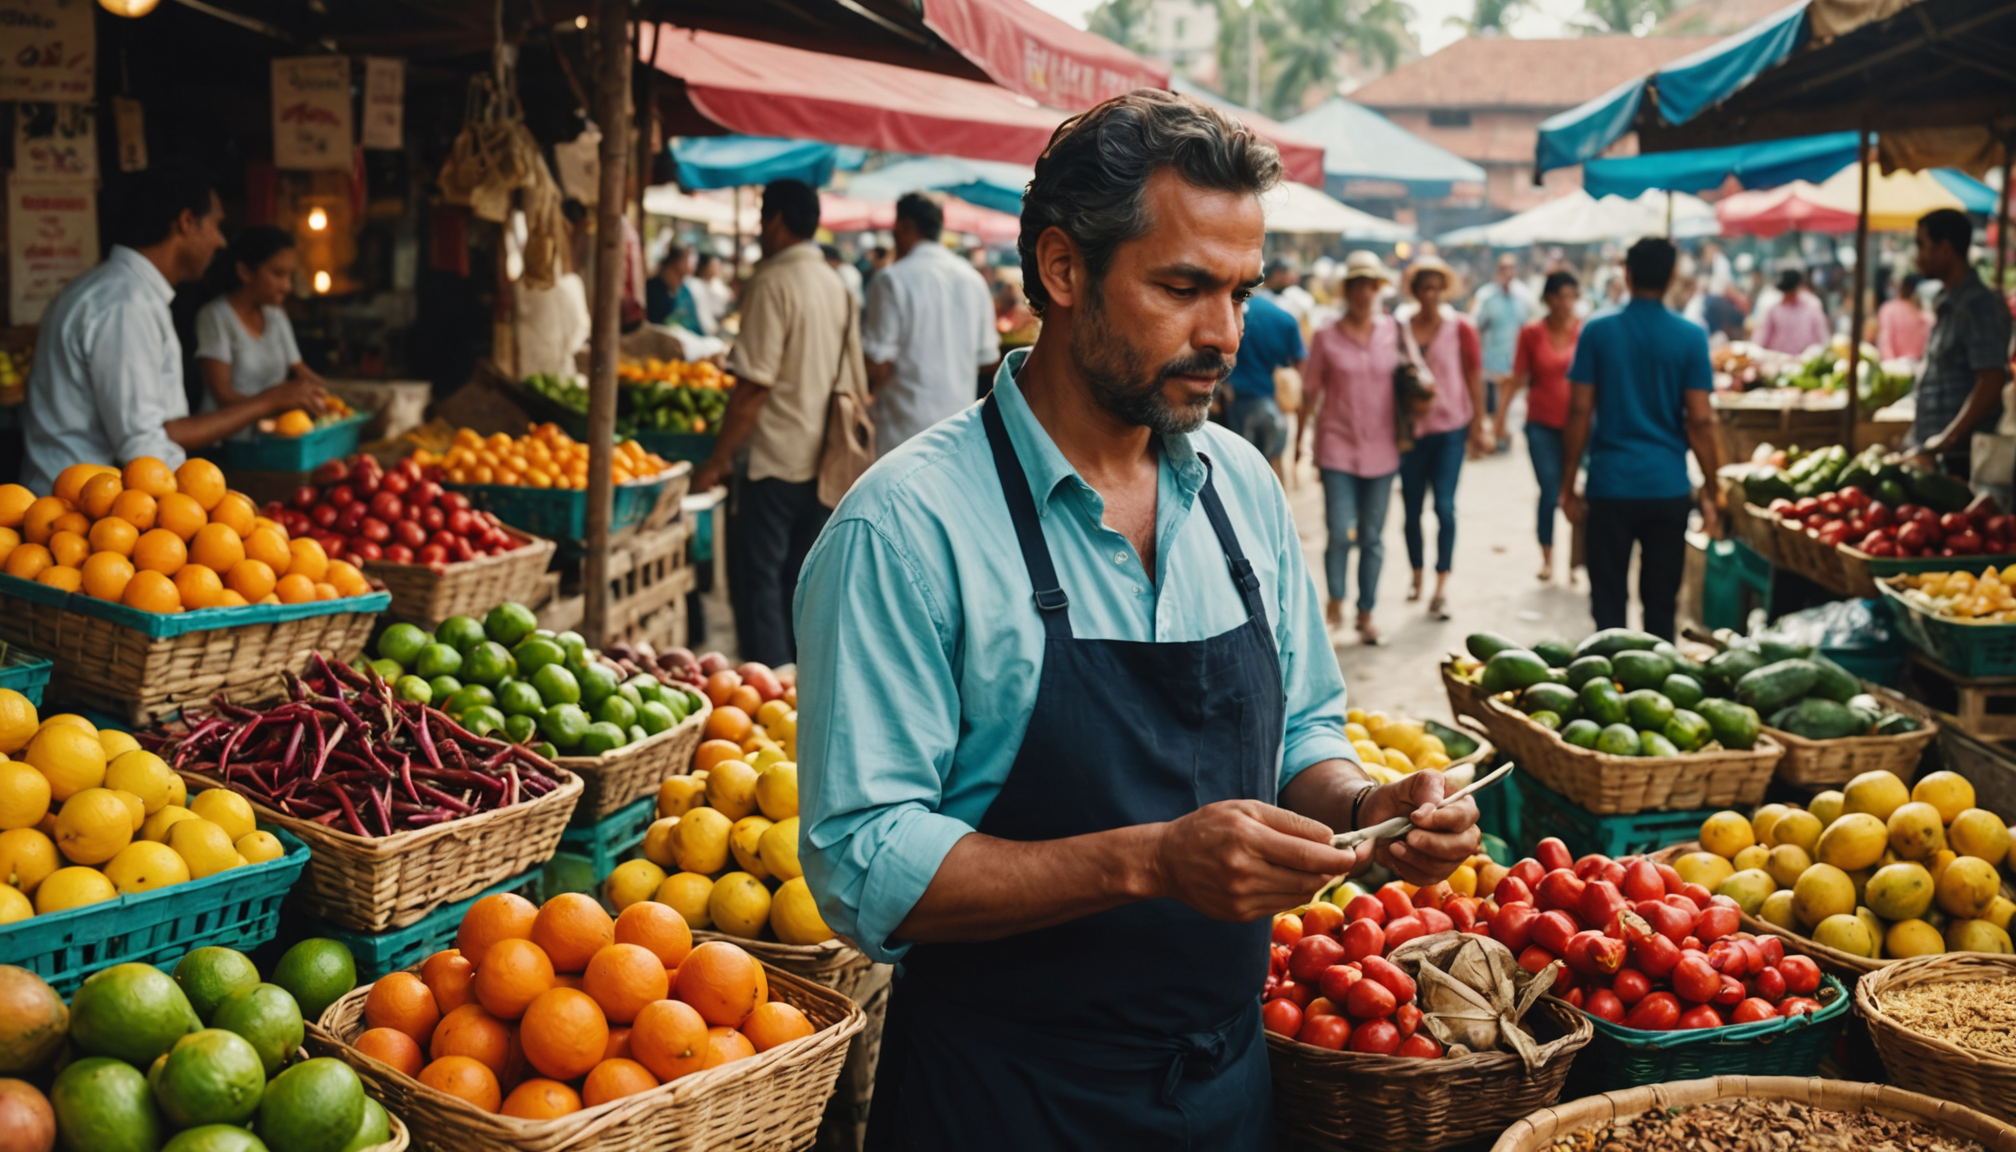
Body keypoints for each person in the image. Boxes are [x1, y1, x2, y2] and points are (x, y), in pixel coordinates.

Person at [792, 91, 1479, 1152]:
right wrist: (1151, 862)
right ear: (1063, 272)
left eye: (1243, 292)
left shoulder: (1241, 488)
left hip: (1228, 1090)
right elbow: (863, 857)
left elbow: (1302, 730)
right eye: (1183, 288)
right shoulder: (904, 529)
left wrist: (1367, 807)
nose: (1225, 337)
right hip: (1006, 1102)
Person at [21, 163, 323, 494]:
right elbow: (144, 445)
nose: (220, 241)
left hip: (90, 504)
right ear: (187, 222)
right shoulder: (125, 305)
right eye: (216, 225)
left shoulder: (119, 291)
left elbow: (162, 431)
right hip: (77, 510)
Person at [693, 180, 862, 667]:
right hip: (823, 459)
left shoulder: (773, 281)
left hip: (773, 460)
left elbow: (751, 389)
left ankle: (766, 692)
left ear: (777, 220)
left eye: (762, 218)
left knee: (758, 586)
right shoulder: (836, 282)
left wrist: (718, 460)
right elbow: (855, 380)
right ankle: (796, 694)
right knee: (799, 582)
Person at [1560, 238, 1721, 640]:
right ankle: (1656, 694)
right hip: (1667, 487)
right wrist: (1713, 487)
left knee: (1608, 604)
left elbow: (1579, 411)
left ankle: (1611, 689)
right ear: (1670, 278)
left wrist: (1566, 485)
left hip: (1609, 486)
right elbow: (1700, 420)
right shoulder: (1690, 336)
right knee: (1661, 604)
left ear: (1626, 274)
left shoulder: (1597, 331)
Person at [1300, 251, 1401, 644]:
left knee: (1373, 537)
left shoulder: (1393, 331)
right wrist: (1298, 445)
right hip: (1337, 446)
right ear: (1347, 290)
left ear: (1378, 290)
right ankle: (1336, 602)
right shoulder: (1326, 335)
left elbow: (1410, 381)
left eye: (1370, 285)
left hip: (1384, 446)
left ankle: (1366, 612)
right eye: (1356, 285)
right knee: (1340, 532)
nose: (1363, 293)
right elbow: (1310, 392)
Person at [862, 193, 1000, 455]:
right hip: (959, 431)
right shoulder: (972, 279)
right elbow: (988, 360)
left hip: (902, 433)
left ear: (904, 227)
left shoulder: (892, 279)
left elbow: (878, 363)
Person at [1397, 256, 1487, 621]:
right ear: (1416, 291)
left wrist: (1480, 426)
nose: (1431, 294)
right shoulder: (1399, 327)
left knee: (1445, 508)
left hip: (1451, 428)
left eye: (1436, 287)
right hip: (1412, 431)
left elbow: (1473, 375)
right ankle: (1417, 574)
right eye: (1424, 287)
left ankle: (1440, 583)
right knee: (1411, 510)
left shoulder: (1461, 327)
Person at [1901, 208, 2013, 478]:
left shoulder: (1977, 304)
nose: (1918, 257)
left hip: (1963, 462)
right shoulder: (1947, 303)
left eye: (1922, 245)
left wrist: (1949, 438)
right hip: (1939, 458)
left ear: (1945, 249)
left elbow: (1992, 378)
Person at [194, 225, 325, 437]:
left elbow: (302, 372)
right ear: (244, 272)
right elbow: (223, 396)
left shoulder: (276, 316)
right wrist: (277, 402)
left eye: (289, 276)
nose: (287, 286)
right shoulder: (215, 317)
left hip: (268, 438)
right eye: (278, 274)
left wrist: (331, 396)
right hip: (224, 441)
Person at [1499, 271, 1581, 583]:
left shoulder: (1583, 332)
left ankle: (1574, 561)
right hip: (1540, 424)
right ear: (1548, 299)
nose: (1565, 302)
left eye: (1571, 296)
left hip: (1578, 425)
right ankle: (1548, 557)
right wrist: (1499, 419)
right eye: (1560, 295)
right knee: (1550, 491)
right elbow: (1518, 377)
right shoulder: (1532, 333)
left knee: (1574, 490)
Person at [1220, 289, 1303, 467]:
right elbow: (1300, 359)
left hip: (1237, 402)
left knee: (1239, 465)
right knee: (1272, 465)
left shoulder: (1234, 314)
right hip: (1271, 402)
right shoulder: (1284, 319)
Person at [1470, 253, 1532, 454]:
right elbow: (1475, 325)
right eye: (1504, 268)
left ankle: (1503, 435)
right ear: (1498, 271)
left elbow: (1529, 325)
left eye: (1512, 268)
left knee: (1510, 402)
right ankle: (1493, 436)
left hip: (1515, 359)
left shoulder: (1523, 295)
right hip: (1492, 359)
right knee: (1493, 402)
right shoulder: (1486, 296)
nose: (1508, 272)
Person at [1755, 268, 1830, 355]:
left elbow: (1822, 335)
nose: (1787, 294)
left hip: (1803, 361)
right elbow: (1761, 337)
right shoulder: (1774, 310)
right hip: (1778, 361)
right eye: (1785, 291)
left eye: (1790, 291)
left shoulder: (1811, 307)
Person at [1877, 272, 1931, 361]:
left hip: (1905, 365)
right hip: (1906, 366)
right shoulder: (1926, 315)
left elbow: (1885, 342)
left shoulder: (1889, 309)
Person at [646, 244, 701, 330]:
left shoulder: (685, 292)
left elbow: (695, 326)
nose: (695, 263)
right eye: (690, 256)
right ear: (675, 260)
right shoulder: (651, 289)